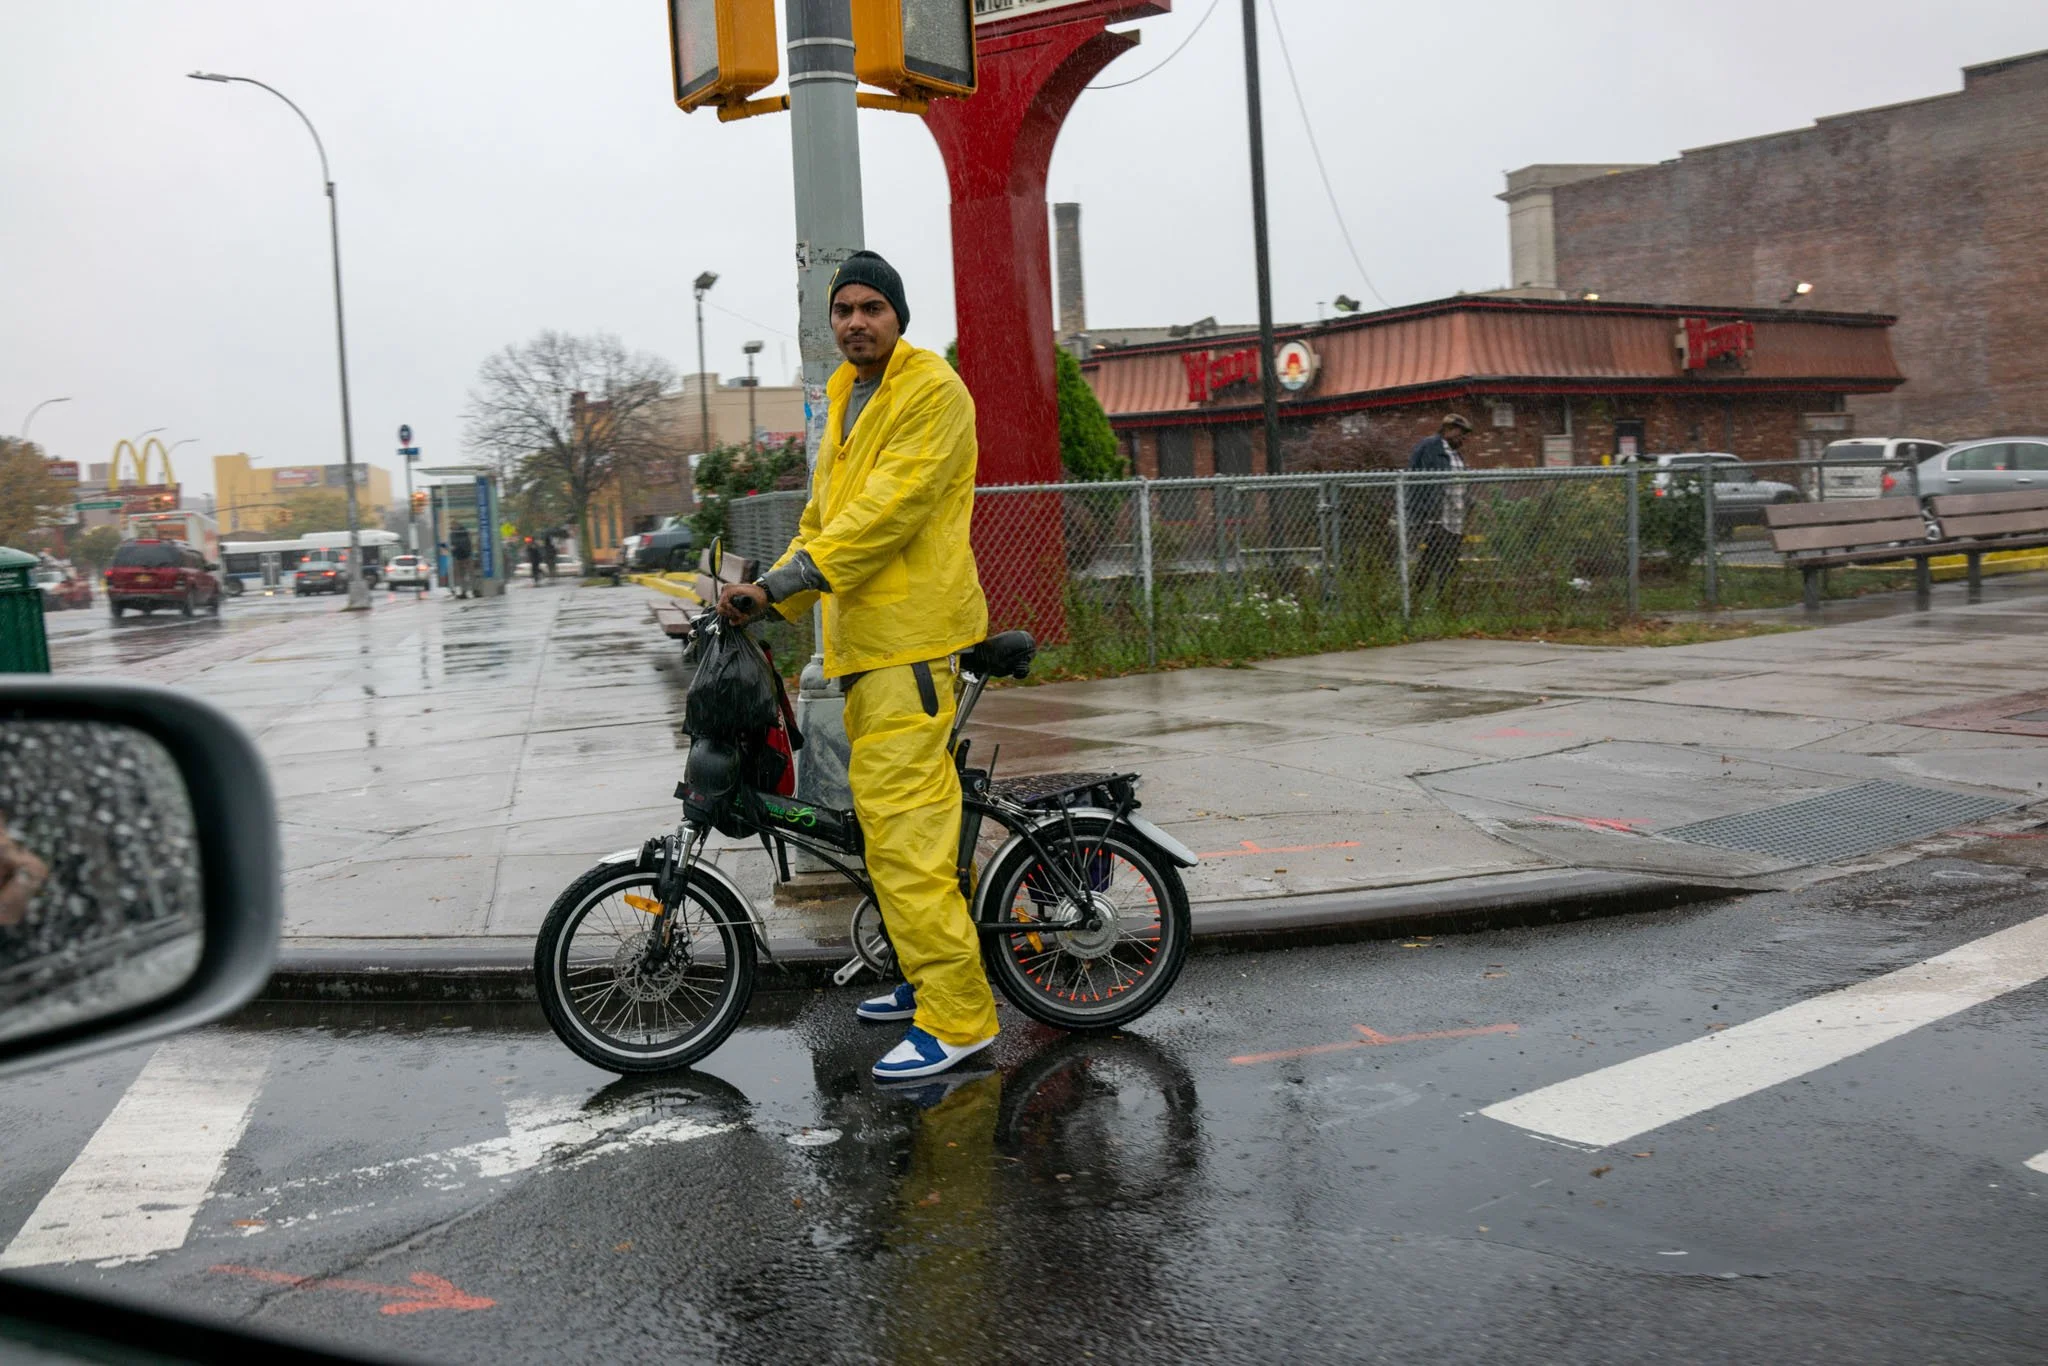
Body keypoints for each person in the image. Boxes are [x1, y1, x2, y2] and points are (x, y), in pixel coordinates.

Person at [717, 250, 996, 1083]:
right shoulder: (845, 394)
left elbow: (887, 513)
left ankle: (958, 1018)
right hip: (867, 645)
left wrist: (788, 585)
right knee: (887, 830)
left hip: (909, 642)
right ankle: (921, 977)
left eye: (872, 307)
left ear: (898, 316)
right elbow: (824, 516)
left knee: (907, 839)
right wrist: (765, 592)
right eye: (843, 310)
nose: (855, 322)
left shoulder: (932, 391)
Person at [1407, 414, 1472, 596]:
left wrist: (1469, 503)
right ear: (1447, 430)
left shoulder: (1456, 454)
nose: (1464, 438)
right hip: (1437, 517)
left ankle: (1441, 600)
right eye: (1461, 433)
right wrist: (1423, 512)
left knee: (1447, 560)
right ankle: (1418, 598)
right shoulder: (1429, 448)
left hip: (1455, 518)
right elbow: (1416, 481)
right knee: (1434, 559)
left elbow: (1460, 483)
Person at [448, 523, 474, 598]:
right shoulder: (464, 533)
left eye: (452, 527)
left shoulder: (456, 535)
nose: (451, 529)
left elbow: (457, 545)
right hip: (465, 556)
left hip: (461, 557)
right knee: (465, 575)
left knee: (462, 576)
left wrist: (454, 548)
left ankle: (465, 591)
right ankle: (466, 590)